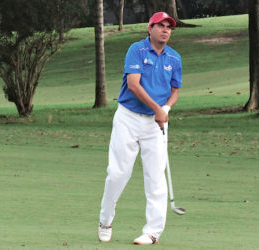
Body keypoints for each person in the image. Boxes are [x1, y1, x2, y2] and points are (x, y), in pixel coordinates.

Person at [97, 12, 182, 245]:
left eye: (168, 27)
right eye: (160, 26)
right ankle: (105, 220)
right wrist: (157, 108)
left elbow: (175, 91)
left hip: (156, 123)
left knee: (155, 177)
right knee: (117, 174)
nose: (165, 30)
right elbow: (133, 85)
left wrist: (165, 108)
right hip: (128, 118)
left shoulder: (174, 59)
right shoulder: (137, 50)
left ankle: (153, 232)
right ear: (150, 28)